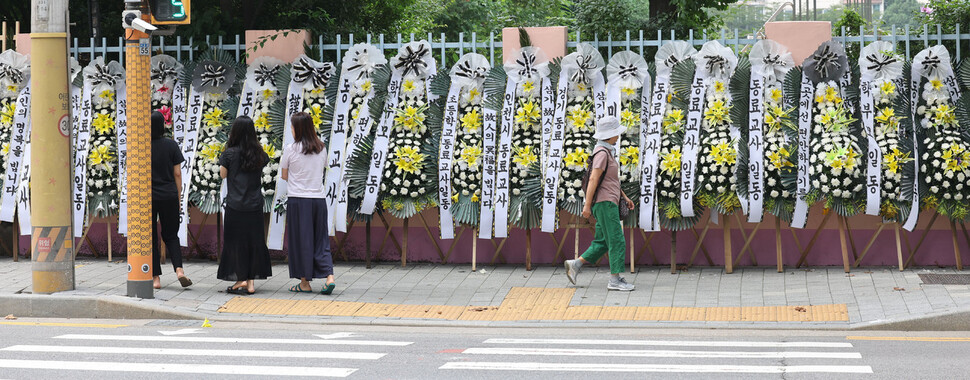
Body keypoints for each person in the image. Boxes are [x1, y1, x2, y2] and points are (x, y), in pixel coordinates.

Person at [564, 116, 636, 291]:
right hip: (605, 204)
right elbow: (594, 179)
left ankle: (576, 265)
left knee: (603, 241)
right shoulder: (602, 153)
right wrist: (587, 206)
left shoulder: (606, 152)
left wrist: (624, 197)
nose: (618, 137)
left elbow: (610, 181)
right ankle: (615, 280)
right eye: (616, 134)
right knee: (617, 240)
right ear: (610, 135)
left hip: (608, 201)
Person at [281, 112, 336, 295]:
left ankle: (305, 283)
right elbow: (322, 169)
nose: (291, 129)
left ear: (298, 129)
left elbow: (284, 175)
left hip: (298, 200)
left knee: (301, 241)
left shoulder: (291, 149)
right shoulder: (322, 148)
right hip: (319, 200)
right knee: (321, 239)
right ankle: (329, 276)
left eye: (292, 126)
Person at [217, 116, 272, 295]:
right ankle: (250, 283)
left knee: (235, 243)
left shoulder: (229, 153)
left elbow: (223, 175)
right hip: (255, 205)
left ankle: (239, 280)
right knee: (254, 242)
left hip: (235, 205)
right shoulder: (259, 154)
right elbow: (264, 163)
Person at [150, 110, 192, 289]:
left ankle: (155, 278)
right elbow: (177, 173)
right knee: (171, 235)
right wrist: (179, 196)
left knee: (150, 237)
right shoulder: (171, 145)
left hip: (149, 197)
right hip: (169, 196)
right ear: (163, 126)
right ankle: (179, 270)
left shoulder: (142, 146)